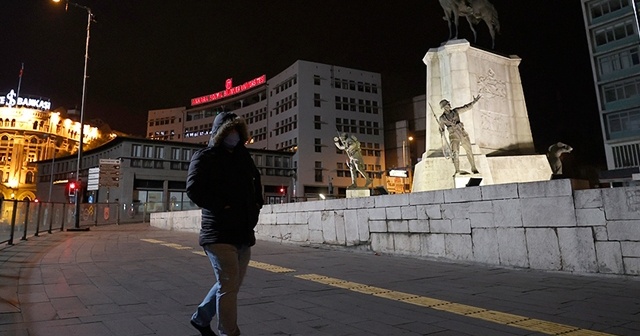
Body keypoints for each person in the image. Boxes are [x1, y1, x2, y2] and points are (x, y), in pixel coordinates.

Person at [186, 112, 264, 336]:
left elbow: (255, 184)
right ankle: (229, 333)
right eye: (229, 130)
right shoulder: (205, 156)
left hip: (243, 232)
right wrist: (222, 206)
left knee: (231, 284)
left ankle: (201, 319)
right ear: (219, 133)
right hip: (218, 232)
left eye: (237, 131)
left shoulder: (244, 158)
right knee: (228, 284)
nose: (234, 135)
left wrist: (257, 205)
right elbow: (193, 189)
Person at [438, 95, 481, 175]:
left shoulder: (455, 111)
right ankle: (457, 170)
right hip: (453, 136)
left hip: (462, 133)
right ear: (444, 107)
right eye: (447, 104)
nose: (449, 105)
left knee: (469, 150)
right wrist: (441, 130)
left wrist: (474, 102)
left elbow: (466, 107)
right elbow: (441, 129)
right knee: (455, 153)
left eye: (448, 103)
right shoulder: (442, 118)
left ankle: (473, 168)